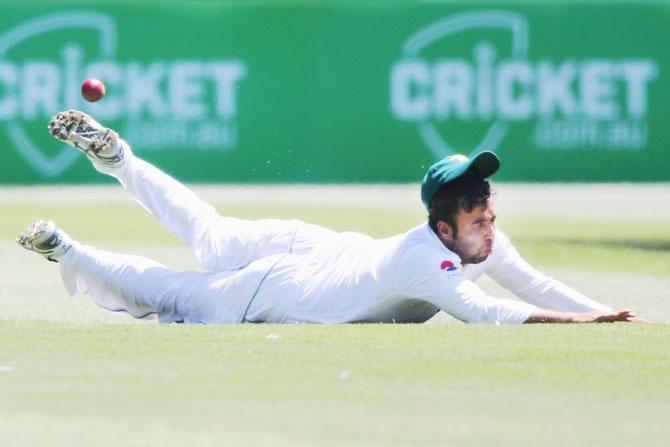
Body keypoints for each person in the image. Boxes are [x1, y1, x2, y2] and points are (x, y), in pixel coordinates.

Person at [18, 109, 641, 325]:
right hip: (285, 288)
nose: (491, 227)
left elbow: (533, 284)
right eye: (478, 219)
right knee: (174, 294)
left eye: (491, 213)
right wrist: (580, 320)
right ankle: (67, 252)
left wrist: (602, 311)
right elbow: (494, 312)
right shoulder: (427, 260)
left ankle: (120, 157)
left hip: (314, 244)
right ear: (443, 226)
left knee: (207, 230)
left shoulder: (477, 241)